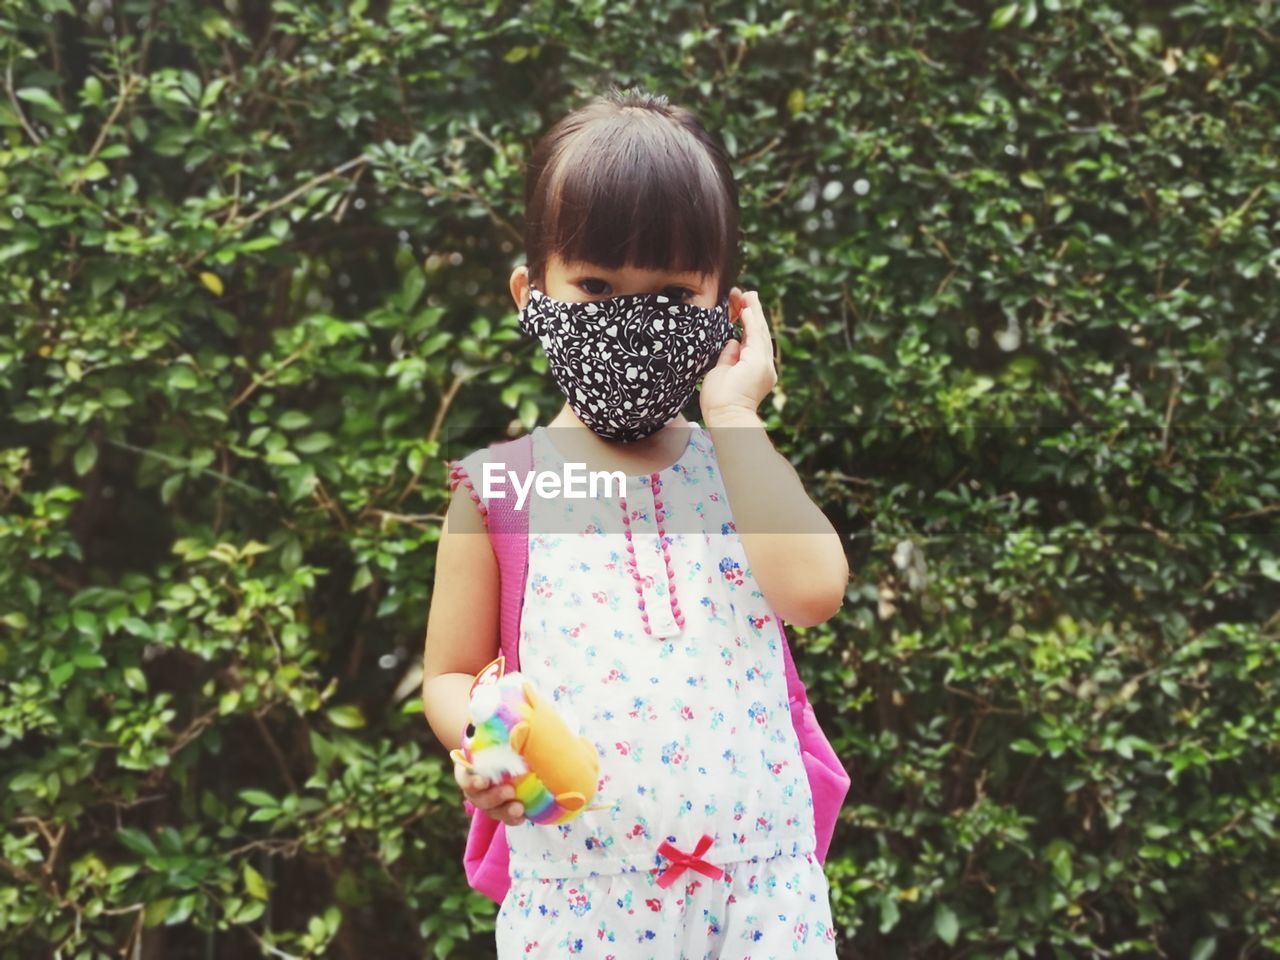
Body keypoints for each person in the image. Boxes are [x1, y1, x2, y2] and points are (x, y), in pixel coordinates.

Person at [421, 87, 849, 959]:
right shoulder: (498, 489)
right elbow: (451, 672)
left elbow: (813, 594)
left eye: (671, 294)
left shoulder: (742, 470)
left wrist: (735, 415)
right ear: (528, 293)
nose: (628, 318)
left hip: (764, 905)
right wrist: (485, 748)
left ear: (726, 309)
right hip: (579, 909)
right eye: (595, 285)